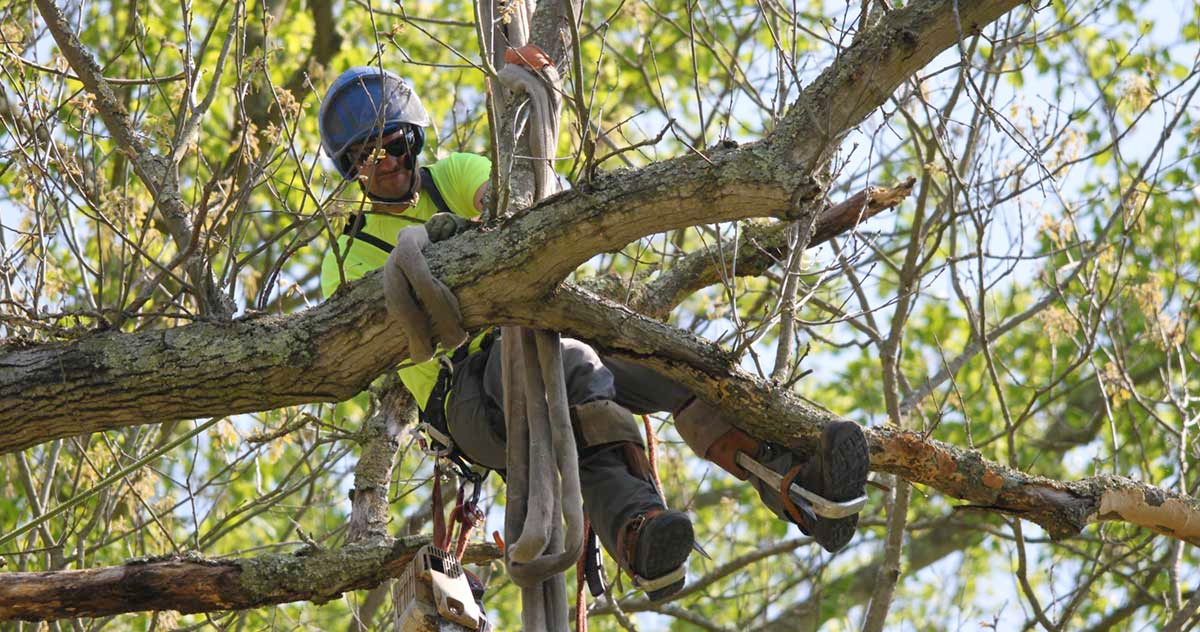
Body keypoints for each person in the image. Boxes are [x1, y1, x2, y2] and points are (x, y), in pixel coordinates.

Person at [318, 65, 870, 601]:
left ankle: (799, 486)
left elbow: (514, 199)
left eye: (392, 144)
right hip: (469, 393)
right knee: (577, 370)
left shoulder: (453, 175)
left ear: (413, 137)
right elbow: (391, 328)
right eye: (366, 156)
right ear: (351, 169)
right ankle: (637, 529)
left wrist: (487, 214)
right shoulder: (350, 258)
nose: (385, 163)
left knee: (675, 363)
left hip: (540, 331)